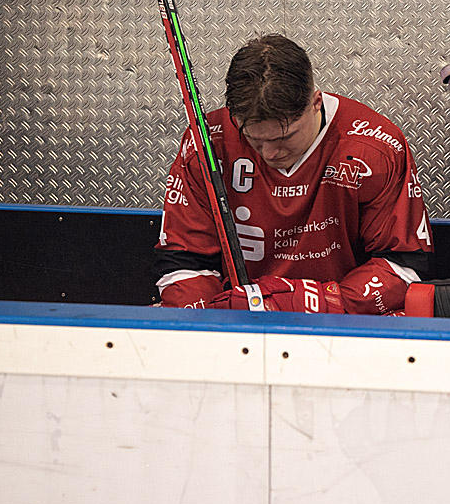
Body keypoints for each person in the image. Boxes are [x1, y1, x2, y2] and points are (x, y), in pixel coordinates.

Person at [153, 33, 434, 314]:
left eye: (284, 138)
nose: (270, 153)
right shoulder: (206, 143)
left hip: (344, 322)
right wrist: (210, 321)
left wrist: (320, 304)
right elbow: (183, 262)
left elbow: (404, 266)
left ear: (315, 103)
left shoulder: (375, 145)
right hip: (241, 319)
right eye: (254, 139)